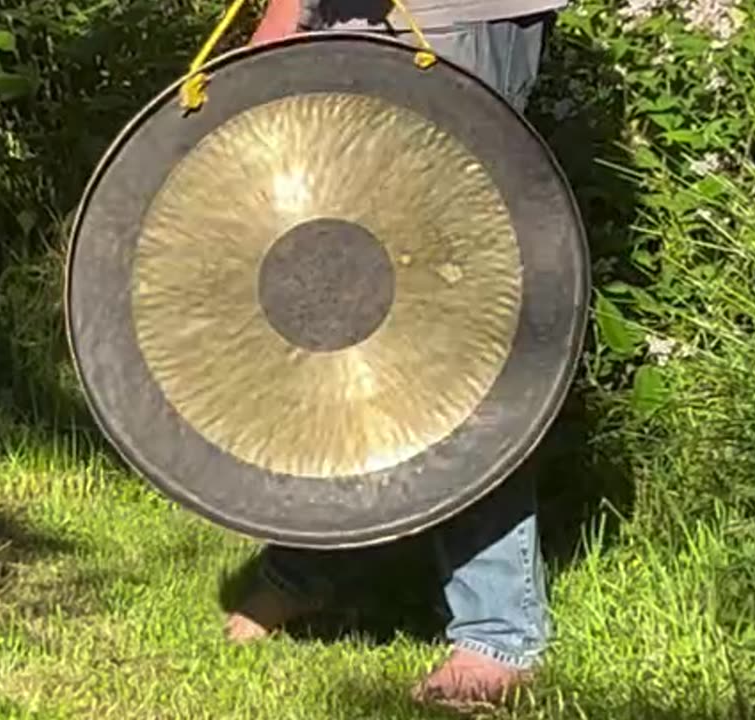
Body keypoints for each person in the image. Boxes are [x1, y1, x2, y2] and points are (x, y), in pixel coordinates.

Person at [224, 0, 568, 713]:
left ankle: (498, 629)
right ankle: (316, 564)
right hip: (349, 12)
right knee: (334, 286)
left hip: (455, 14)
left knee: (454, 321)